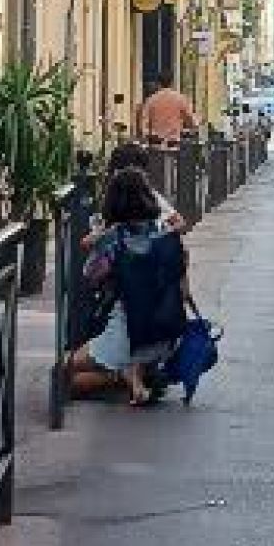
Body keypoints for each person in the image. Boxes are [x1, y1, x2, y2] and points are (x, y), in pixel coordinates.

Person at [69, 164, 191, 406]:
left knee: (66, 373)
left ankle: (120, 375)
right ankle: (137, 374)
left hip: (127, 335)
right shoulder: (164, 233)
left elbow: (90, 275)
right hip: (166, 334)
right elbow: (183, 283)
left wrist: (97, 243)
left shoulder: (114, 239)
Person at [137, 78, 198, 142]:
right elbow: (191, 119)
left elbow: (143, 123)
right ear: (172, 83)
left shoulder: (151, 100)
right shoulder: (180, 99)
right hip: (175, 140)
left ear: (159, 84)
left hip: (156, 141)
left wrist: (147, 135)